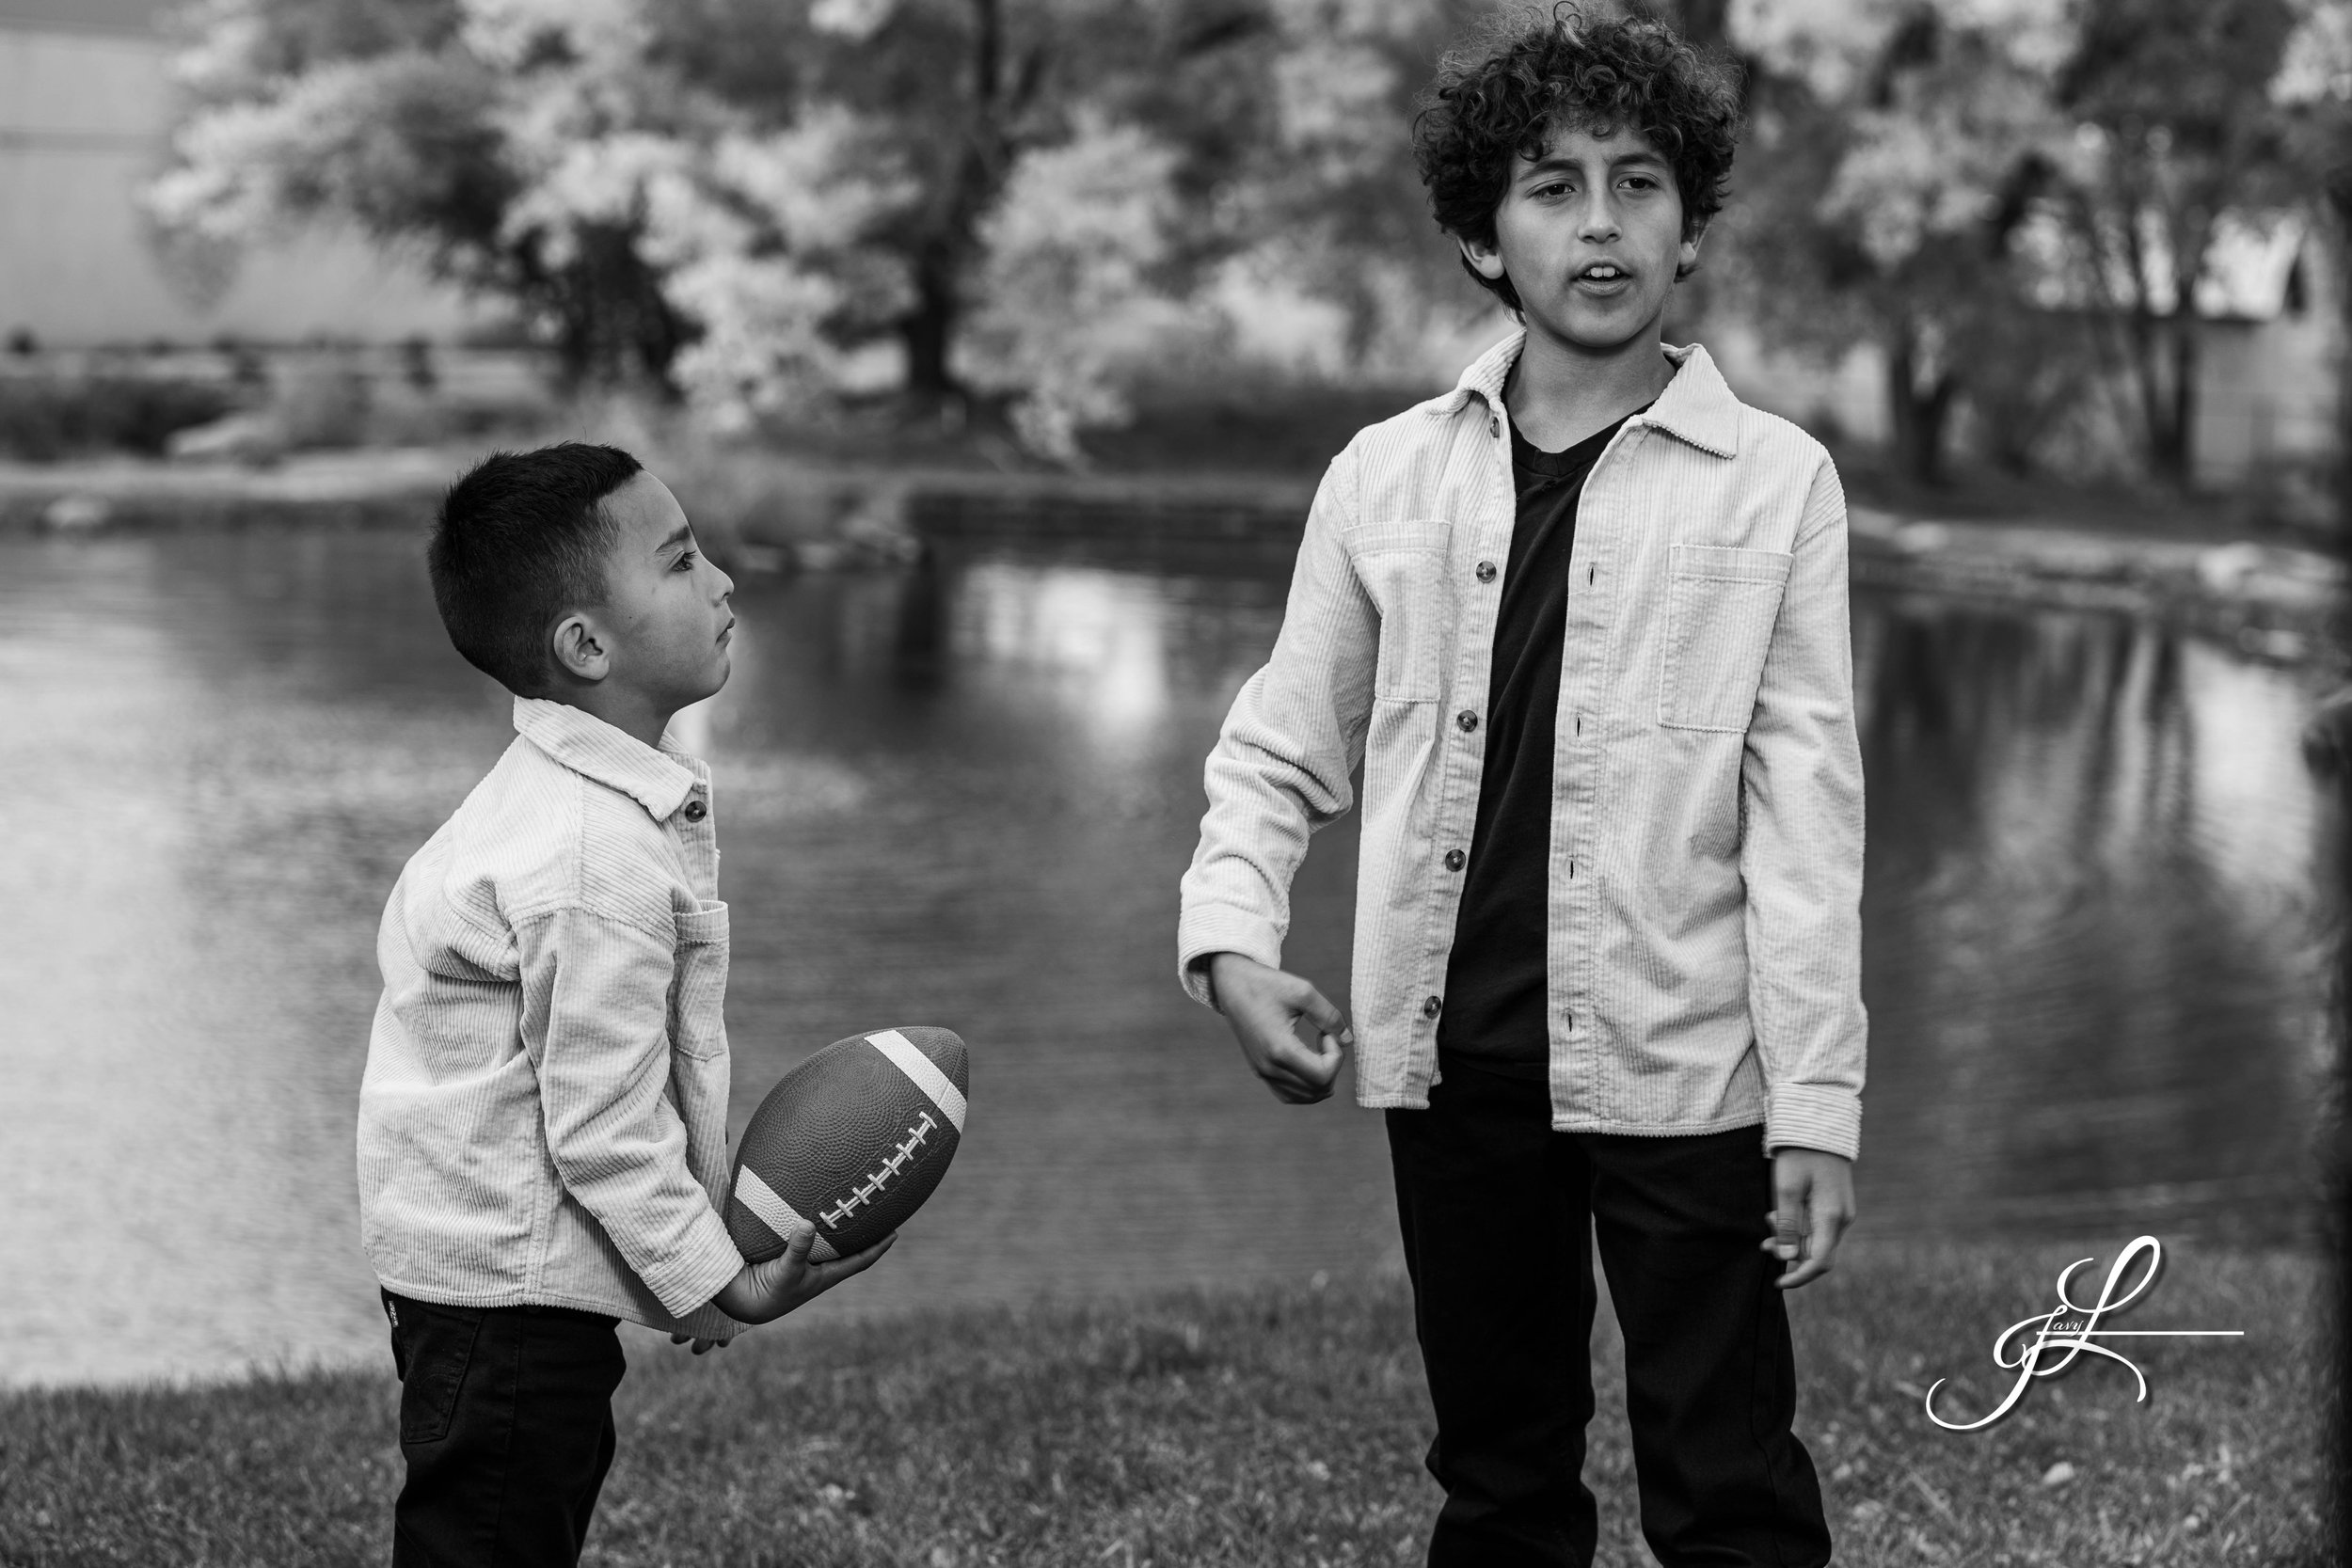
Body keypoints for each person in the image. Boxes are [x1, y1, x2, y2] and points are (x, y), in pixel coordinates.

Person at [1176, 9, 1862, 1565]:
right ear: (1486, 237)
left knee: (1731, 1479)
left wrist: (1819, 1106)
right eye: (1553, 187)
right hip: (1458, 1056)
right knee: (1498, 1477)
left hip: (1690, 1067)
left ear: (1691, 228)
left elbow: (1808, 820)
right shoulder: (1383, 478)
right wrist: (1230, 944)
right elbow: (1283, 741)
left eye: (1639, 183)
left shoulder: (1779, 487)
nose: (1600, 222)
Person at [357, 442, 893, 1566]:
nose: (724, 581)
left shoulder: (566, 802)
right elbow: (600, 1126)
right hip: (507, 1301)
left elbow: (606, 1095)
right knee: (491, 1541)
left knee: (503, 1530)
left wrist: (682, 1276)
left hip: (491, 1289)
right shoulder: (590, 852)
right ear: (586, 644)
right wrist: (718, 1278)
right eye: (682, 559)